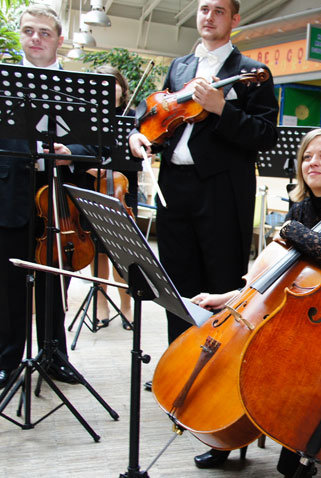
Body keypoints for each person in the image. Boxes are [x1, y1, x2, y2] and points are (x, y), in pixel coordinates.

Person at [189, 128, 321, 469]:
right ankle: (223, 437)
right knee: (235, 349)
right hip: (286, 307)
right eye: (307, 156)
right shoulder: (300, 208)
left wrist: (294, 232)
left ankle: (294, 446)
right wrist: (229, 297)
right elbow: (272, 274)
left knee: (276, 358)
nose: (313, 163)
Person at [128, 0, 278, 364]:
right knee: (177, 282)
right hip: (174, 185)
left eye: (219, 11)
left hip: (222, 191)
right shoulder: (180, 66)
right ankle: (177, 366)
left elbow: (265, 134)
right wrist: (136, 133)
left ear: (235, 19)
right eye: (204, 9)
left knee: (221, 278)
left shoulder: (251, 71)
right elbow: (154, 112)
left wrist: (222, 108)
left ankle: (214, 371)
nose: (209, 17)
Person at [0, 5, 80, 388]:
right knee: (9, 281)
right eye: (29, 31)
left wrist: (71, 152)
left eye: (44, 33)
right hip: (11, 189)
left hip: (55, 193)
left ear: (59, 41)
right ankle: (7, 359)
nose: (36, 38)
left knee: (54, 280)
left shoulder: (76, 87)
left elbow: (93, 140)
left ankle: (54, 356)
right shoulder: (3, 81)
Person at [70, 64, 137, 328]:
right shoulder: (84, 118)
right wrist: (87, 165)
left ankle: (126, 304)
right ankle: (100, 303)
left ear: (121, 87)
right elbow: (74, 150)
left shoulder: (132, 117)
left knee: (124, 252)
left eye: (113, 83)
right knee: (97, 249)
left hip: (121, 190)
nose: (108, 88)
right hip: (92, 186)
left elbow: (137, 158)